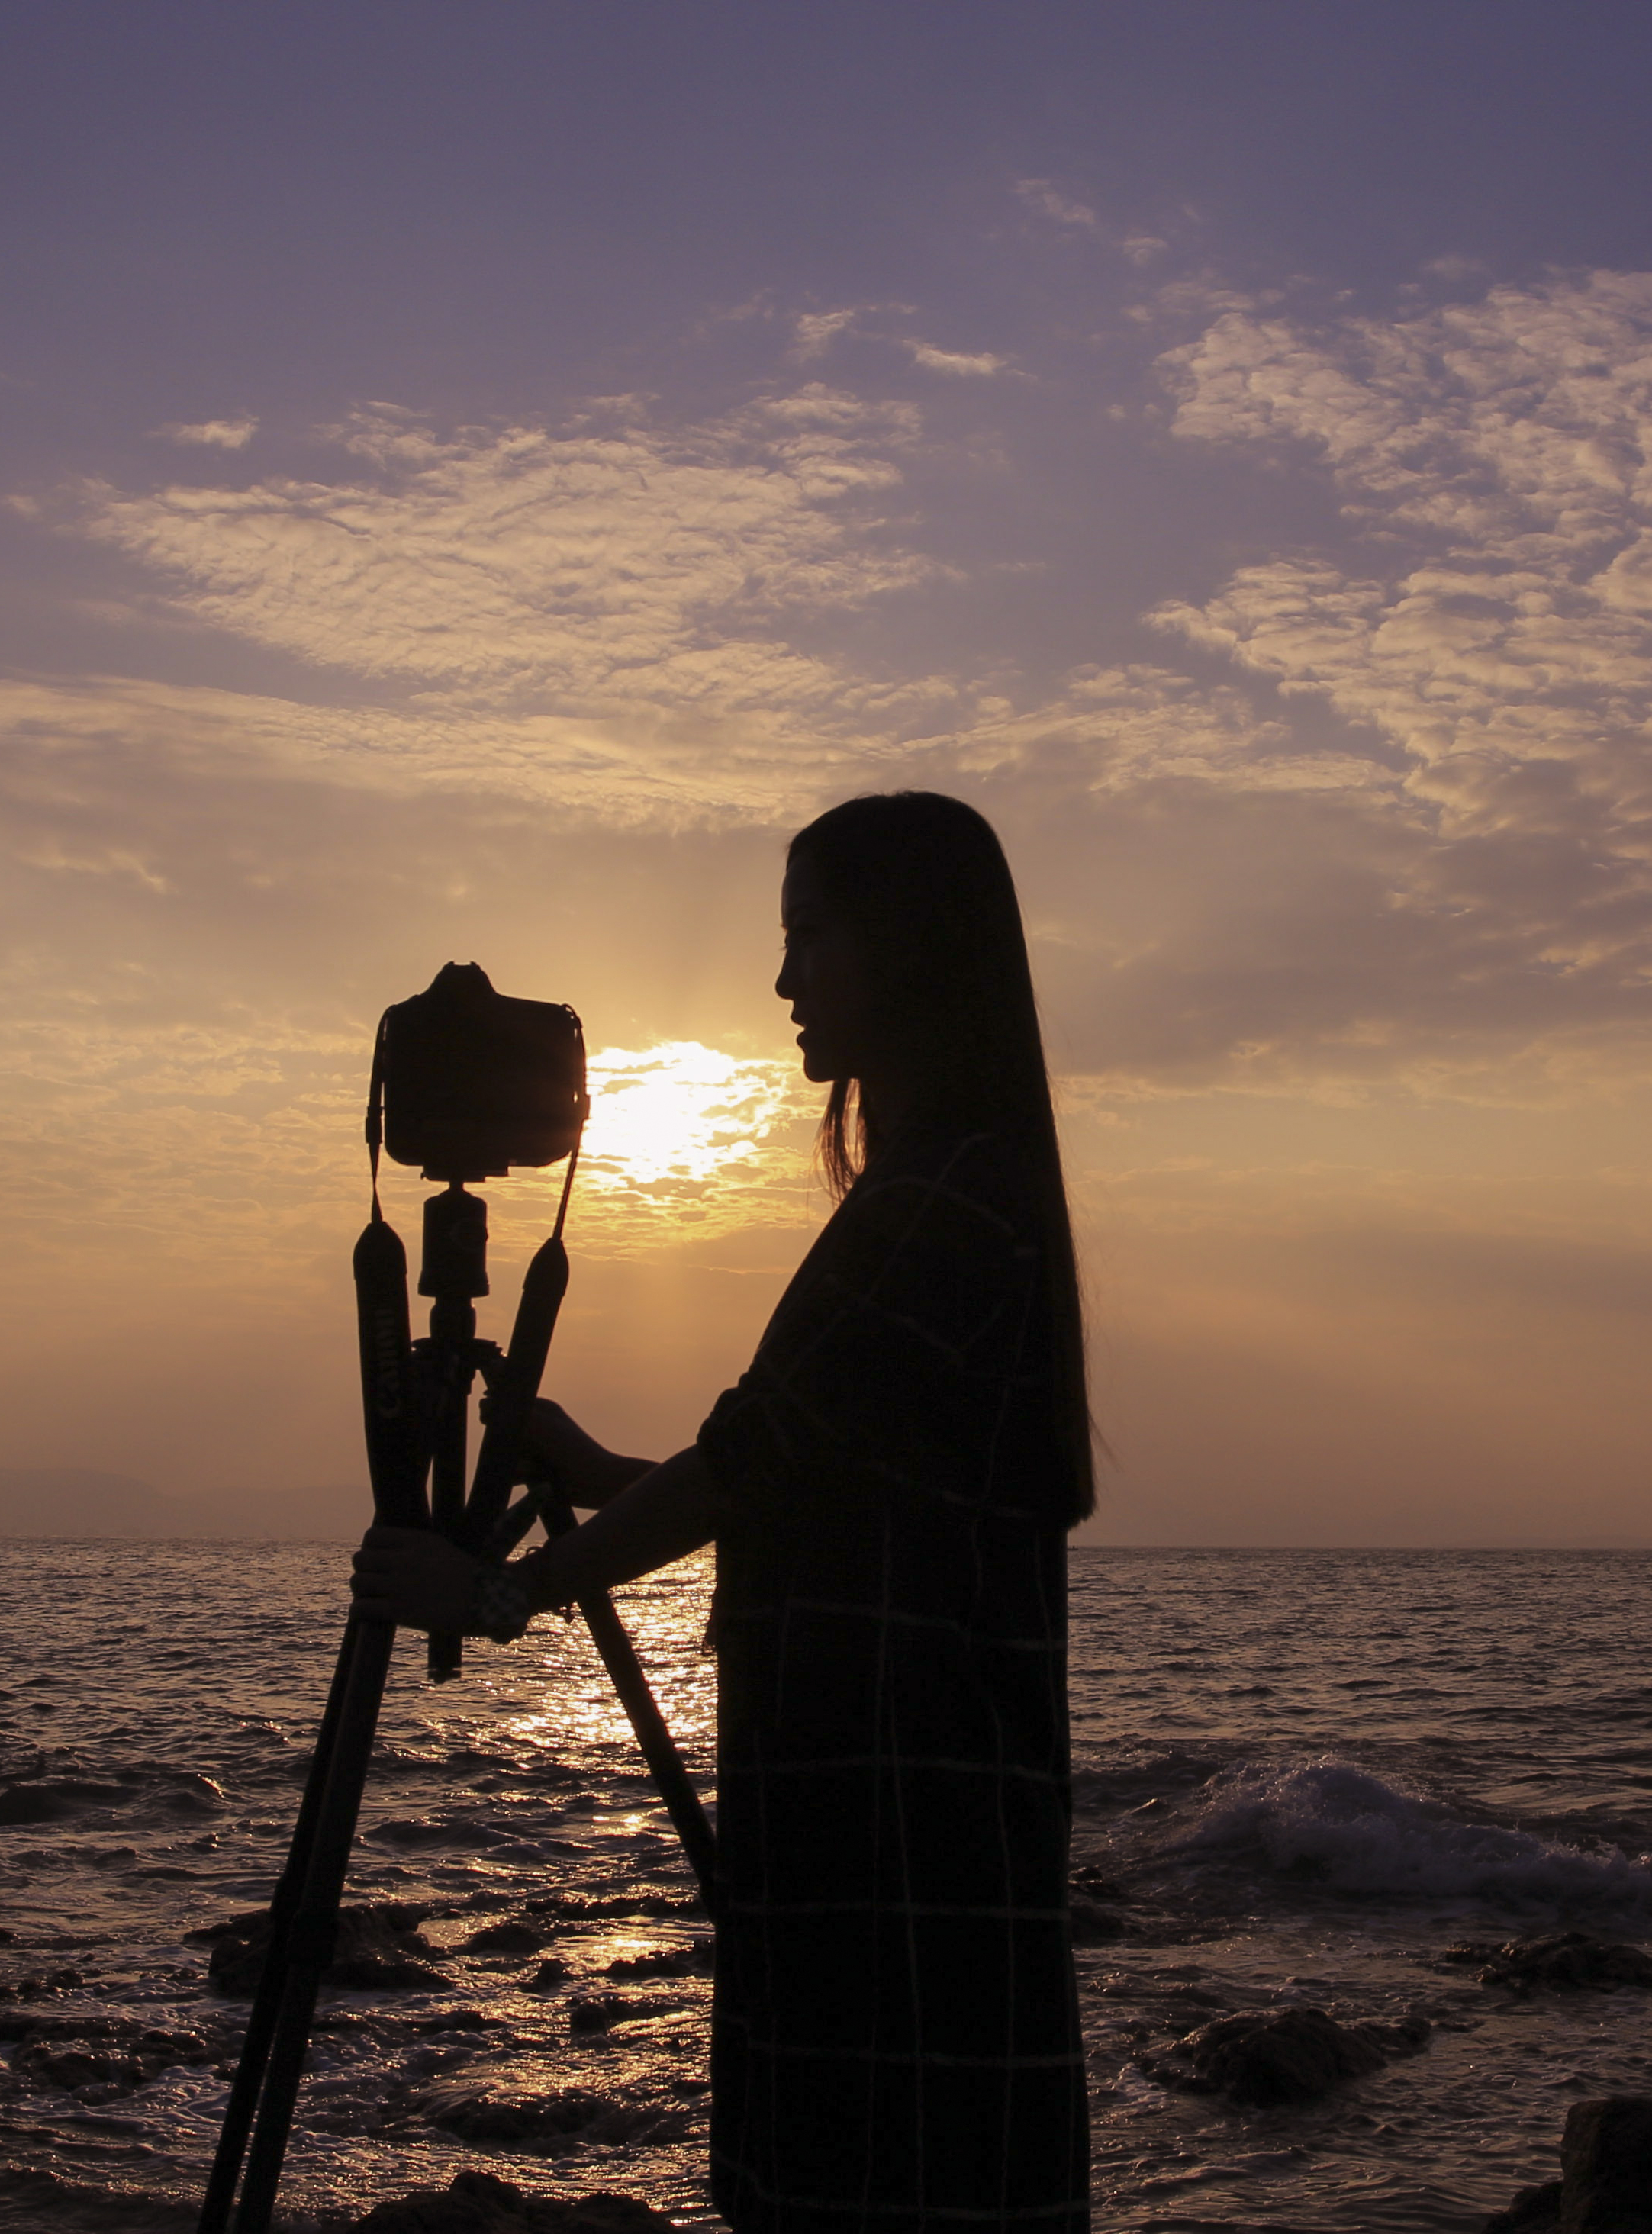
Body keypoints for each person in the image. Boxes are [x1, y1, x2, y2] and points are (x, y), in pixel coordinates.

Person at [352, 790, 1094, 2234]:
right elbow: (819, 1478)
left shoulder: (937, 1207)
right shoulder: (956, 1192)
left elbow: (751, 1470)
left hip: (892, 1888)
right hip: (899, 1868)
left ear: (911, 947)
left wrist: (501, 1597)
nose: (783, 980)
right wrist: (603, 1467)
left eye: (810, 935)